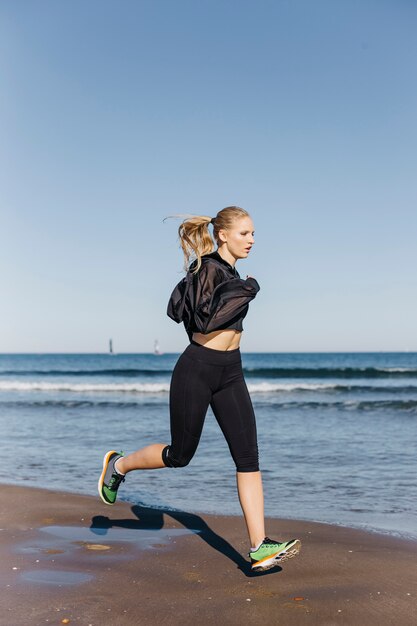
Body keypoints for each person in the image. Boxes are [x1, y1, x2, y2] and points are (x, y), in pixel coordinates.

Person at [98, 206, 301, 571]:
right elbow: (206, 321)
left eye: (254, 234)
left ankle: (259, 547)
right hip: (197, 369)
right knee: (180, 455)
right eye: (245, 234)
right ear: (223, 235)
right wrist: (248, 289)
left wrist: (242, 287)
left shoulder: (230, 273)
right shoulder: (207, 268)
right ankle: (119, 465)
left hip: (231, 372)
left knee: (248, 458)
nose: (252, 240)